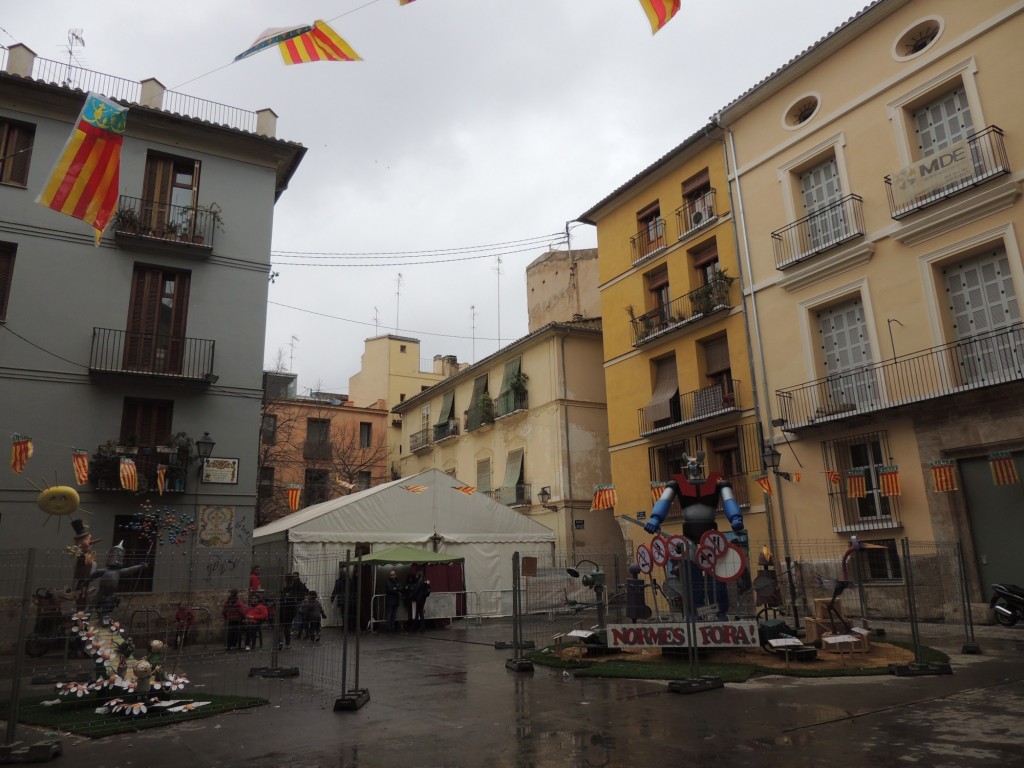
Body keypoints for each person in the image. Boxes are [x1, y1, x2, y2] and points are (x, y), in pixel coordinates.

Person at [289, 572, 309, 639]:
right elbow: (306, 590)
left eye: (295, 576)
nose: (294, 577)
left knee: (297, 616)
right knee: (298, 616)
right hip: (299, 600)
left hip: (297, 601)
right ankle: (298, 629)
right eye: (293, 576)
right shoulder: (298, 583)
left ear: (297, 576)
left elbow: (295, 592)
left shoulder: (297, 584)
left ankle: (297, 629)